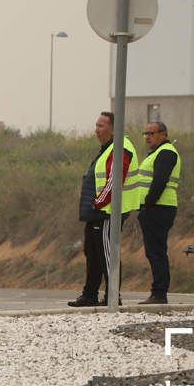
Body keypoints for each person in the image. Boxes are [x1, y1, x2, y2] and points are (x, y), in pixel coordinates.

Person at [69, 111, 141, 307]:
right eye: (96, 126)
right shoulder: (107, 148)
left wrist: (98, 202)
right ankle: (89, 294)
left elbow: (114, 180)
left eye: (101, 126)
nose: (96, 130)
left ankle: (112, 296)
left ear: (113, 129)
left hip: (108, 212)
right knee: (92, 253)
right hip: (97, 212)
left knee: (107, 253)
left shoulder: (121, 148)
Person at [136, 121, 180, 304]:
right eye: (145, 133)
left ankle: (159, 293)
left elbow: (159, 181)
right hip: (156, 207)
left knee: (156, 252)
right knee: (155, 251)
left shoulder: (166, 152)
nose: (147, 137)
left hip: (159, 208)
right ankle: (158, 291)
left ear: (163, 134)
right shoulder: (157, 153)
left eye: (151, 133)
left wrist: (147, 204)